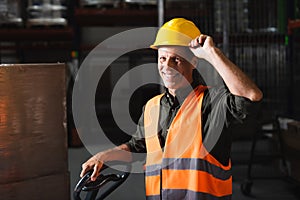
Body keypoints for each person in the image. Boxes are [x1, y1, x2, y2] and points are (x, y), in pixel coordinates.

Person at [80, 18, 263, 199]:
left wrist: (212, 54)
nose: (167, 66)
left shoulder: (212, 103)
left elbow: (251, 97)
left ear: (194, 61)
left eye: (176, 60)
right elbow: (137, 147)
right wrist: (104, 156)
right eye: (162, 58)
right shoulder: (152, 107)